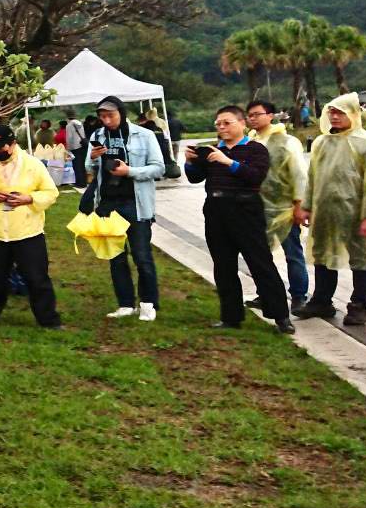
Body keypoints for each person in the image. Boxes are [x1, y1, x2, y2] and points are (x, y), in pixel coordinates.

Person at [184, 106, 294, 332]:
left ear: (242, 123)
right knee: (223, 266)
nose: (221, 128)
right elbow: (195, 178)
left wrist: (228, 162)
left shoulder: (256, 150)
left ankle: (281, 315)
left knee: (260, 262)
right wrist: (191, 162)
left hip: (246, 210)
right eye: (218, 124)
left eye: (227, 123)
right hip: (216, 210)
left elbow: (255, 177)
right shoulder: (211, 151)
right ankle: (230, 316)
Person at [294, 92, 366, 325]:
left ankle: (359, 306)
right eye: (332, 112)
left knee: (361, 259)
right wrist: (307, 206)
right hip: (324, 211)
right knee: (322, 256)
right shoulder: (322, 142)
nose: (335, 117)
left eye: (340, 112)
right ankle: (322, 301)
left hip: (353, 213)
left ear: (354, 114)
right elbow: (313, 177)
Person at [0, 125, 62, 328]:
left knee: (37, 278)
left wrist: (29, 198)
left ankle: (48, 319)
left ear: (12, 144)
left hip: (28, 232)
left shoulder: (33, 165)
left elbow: (51, 192)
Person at [83, 96, 166, 321]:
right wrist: (92, 158)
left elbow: (159, 168)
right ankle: (125, 303)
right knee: (116, 257)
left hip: (136, 204)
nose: (106, 120)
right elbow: (89, 169)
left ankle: (148, 302)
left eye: (111, 115)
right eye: (102, 116)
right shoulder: (98, 136)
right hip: (109, 204)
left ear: (122, 112)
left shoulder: (144, 135)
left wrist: (130, 171)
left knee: (142, 256)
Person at [245, 100, 310, 310]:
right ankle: (265, 293)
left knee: (293, 253)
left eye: (257, 114)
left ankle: (299, 295)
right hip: (256, 207)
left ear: (271, 115)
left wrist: (299, 205)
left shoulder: (287, 141)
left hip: (284, 207)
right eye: (250, 115)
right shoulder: (249, 140)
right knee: (260, 254)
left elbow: (299, 175)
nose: (252, 118)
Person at [63, 111, 87, 187]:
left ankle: (79, 183)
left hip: (74, 147)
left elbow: (69, 138)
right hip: (82, 146)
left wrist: (68, 149)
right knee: (82, 165)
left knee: (76, 166)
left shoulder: (69, 125)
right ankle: (84, 181)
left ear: (67, 118)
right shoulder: (80, 123)